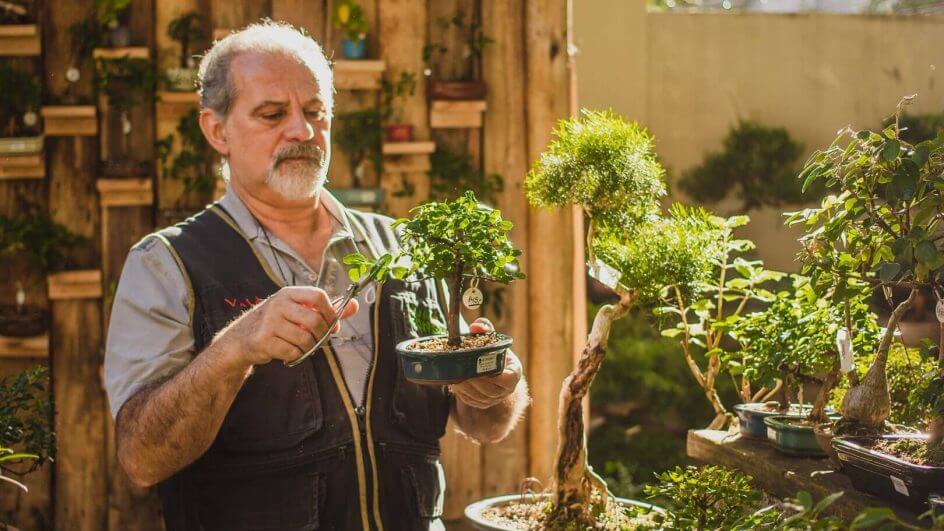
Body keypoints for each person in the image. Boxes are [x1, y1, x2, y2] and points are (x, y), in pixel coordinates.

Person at [104, 21, 530, 531]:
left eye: (315, 112)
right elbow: (142, 459)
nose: (302, 132)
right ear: (217, 130)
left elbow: (484, 424)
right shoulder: (166, 263)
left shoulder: (403, 247)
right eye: (272, 114)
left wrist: (498, 387)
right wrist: (233, 349)